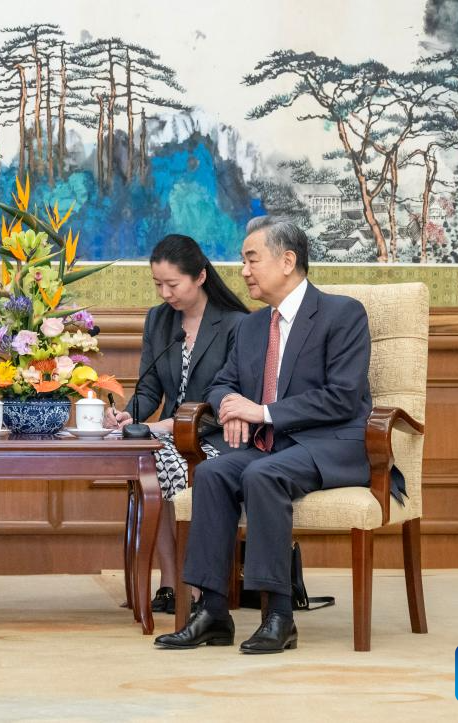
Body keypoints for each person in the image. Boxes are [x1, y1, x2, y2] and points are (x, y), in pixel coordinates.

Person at [155, 216, 384, 654]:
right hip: (274, 447)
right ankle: (212, 612)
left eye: (251, 259)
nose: (242, 271)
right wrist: (229, 404)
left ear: (287, 261)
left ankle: (279, 616)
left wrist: (260, 412)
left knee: (262, 475)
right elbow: (222, 383)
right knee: (213, 474)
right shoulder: (252, 326)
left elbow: (342, 397)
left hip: (331, 445)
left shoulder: (342, 314)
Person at [105, 234, 249, 615]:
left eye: (172, 284)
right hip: (170, 436)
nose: (165, 294)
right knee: (151, 459)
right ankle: (170, 582)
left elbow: (233, 400)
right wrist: (129, 416)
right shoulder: (158, 319)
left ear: (200, 277)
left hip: (219, 438)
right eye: (158, 285)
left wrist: (169, 427)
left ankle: (196, 585)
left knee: (159, 458)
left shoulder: (236, 324)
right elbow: (149, 388)